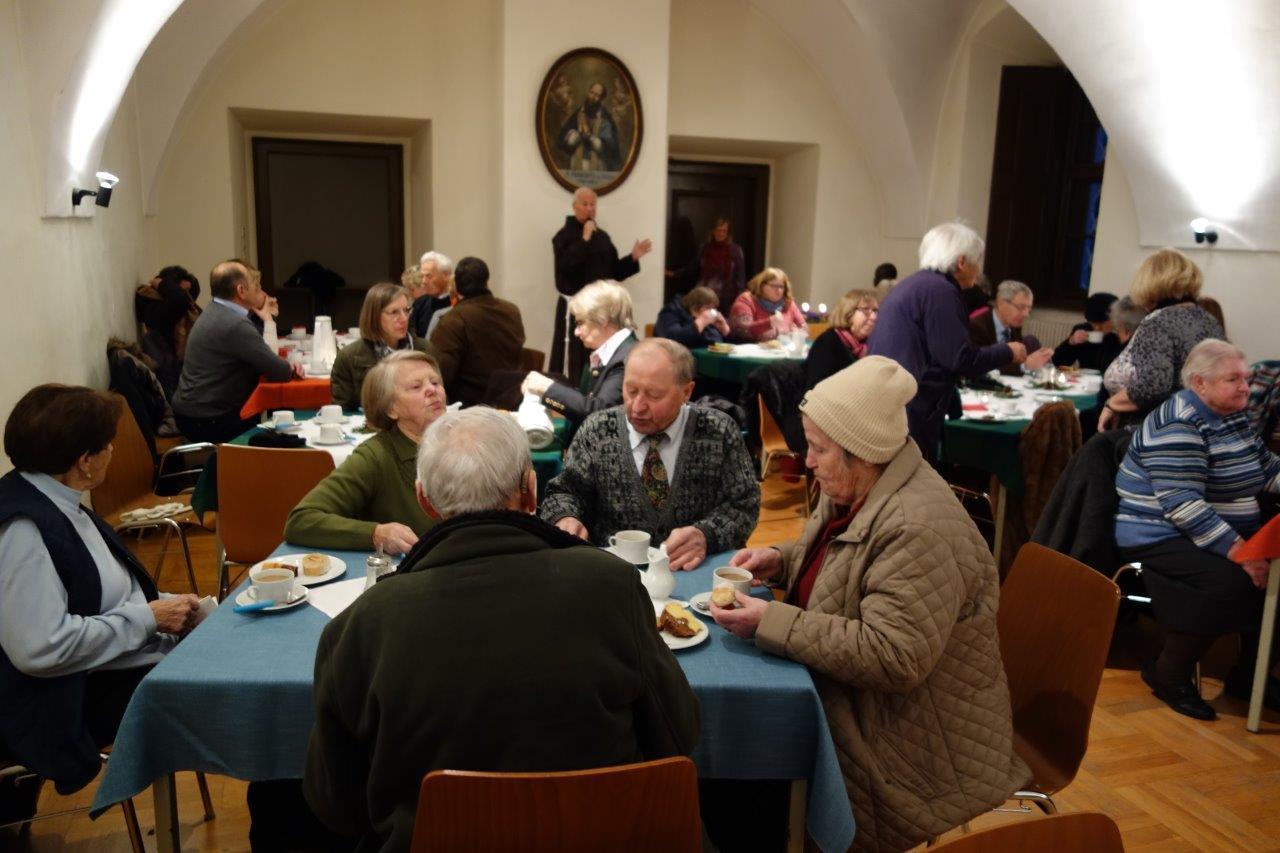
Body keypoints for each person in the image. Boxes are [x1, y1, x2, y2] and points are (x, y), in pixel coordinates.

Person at [303, 407, 700, 851]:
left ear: (425, 501)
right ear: (531, 490)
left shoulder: (361, 625)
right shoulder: (613, 586)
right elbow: (677, 735)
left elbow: (337, 807)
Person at [708, 357, 1027, 849]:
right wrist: (782, 559)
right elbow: (847, 565)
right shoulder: (859, 488)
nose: (808, 462)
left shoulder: (915, 528)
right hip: (861, 701)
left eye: (818, 449)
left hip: (910, 741)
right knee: (733, 756)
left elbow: (894, 655)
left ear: (861, 453)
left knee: (741, 777)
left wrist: (772, 620)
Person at [0, 385, 200, 794]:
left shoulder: (57, 499)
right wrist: (148, 618)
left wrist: (170, 607)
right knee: (207, 688)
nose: (113, 450)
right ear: (85, 461)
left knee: (218, 653)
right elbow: (39, 648)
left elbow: (106, 593)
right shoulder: (25, 530)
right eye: (108, 444)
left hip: (97, 671)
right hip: (57, 703)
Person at [1115, 339, 1280, 720]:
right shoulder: (1179, 422)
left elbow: (1265, 469)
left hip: (1219, 526)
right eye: (1233, 379)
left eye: (1246, 378)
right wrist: (1243, 554)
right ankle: (1168, 673)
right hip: (1159, 531)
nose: (1245, 388)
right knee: (1231, 583)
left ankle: (1250, 677)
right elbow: (1183, 505)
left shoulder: (1232, 415)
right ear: (1199, 383)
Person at [540, 338, 760, 571]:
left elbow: (745, 504)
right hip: (614, 574)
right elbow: (564, 492)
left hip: (696, 573)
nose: (637, 407)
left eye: (654, 395)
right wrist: (566, 517)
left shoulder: (718, 431)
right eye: (630, 390)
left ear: (686, 392)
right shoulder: (597, 430)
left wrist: (707, 534)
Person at [866, 222, 1028, 461]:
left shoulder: (915, 284)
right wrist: (1008, 352)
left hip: (889, 400)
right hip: (909, 409)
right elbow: (958, 358)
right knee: (910, 479)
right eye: (977, 260)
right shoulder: (941, 291)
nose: (979, 269)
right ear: (962, 262)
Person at [286, 351, 444, 555]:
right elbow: (301, 520)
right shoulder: (375, 456)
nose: (432, 390)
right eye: (416, 387)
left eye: (435, 382)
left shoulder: (460, 443)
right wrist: (376, 534)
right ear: (390, 409)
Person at [171, 259, 300, 443]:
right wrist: (291, 366)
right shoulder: (235, 324)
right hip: (209, 419)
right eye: (255, 285)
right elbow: (280, 372)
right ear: (241, 290)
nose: (260, 290)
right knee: (282, 423)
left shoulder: (213, 310)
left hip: (190, 412)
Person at [1098, 248, 1224, 430]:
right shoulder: (1207, 320)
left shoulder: (1157, 322)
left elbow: (1153, 386)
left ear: (1149, 282)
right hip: (1200, 425)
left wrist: (1112, 404)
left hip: (1155, 430)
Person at [550, 187, 651, 378]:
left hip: (601, 309)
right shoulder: (563, 236)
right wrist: (584, 239)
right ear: (575, 207)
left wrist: (633, 257)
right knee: (574, 360)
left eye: (593, 204)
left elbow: (614, 272)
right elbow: (564, 266)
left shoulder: (603, 237)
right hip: (576, 309)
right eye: (585, 204)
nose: (590, 208)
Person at [520, 280, 637, 428]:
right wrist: (545, 394)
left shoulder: (627, 358)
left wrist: (547, 388)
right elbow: (580, 407)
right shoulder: (607, 353)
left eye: (580, 323)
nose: (576, 332)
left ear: (603, 320)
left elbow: (599, 413)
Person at [429, 256, 526, 406]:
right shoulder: (511, 310)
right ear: (486, 282)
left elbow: (442, 375)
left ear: (456, 286)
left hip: (470, 407)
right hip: (513, 399)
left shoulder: (453, 320)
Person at [328, 283, 434, 410]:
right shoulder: (349, 357)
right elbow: (341, 411)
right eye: (394, 312)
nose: (404, 319)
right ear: (374, 316)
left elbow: (439, 400)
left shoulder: (425, 349)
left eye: (406, 310)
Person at [134, 265, 202, 398]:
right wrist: (162, 284)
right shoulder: (152, 301)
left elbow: (185, 299)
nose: (184, 294)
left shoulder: (183, 310)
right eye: (180, 290)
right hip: (169, 379)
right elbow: (181, 300)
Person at [664, 217, 746, 315]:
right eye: (718, 230)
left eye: (724, 231)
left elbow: (740, 278)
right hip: (704, 296)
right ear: (713, 231)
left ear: (728, 233)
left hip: (726, 298)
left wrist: (740, 301)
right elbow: (693, 266)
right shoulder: (704, 248)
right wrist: (674, 273)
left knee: (722, 323)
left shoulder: (735, 250)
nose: (720, 233)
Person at [967, 280, 1051, 376]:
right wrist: (1025, 365)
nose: (1026, 314)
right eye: (1021, 307)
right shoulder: (976, 326)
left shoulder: (1014, 326)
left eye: (1029, 309)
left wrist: (1039, 358)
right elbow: (980, 363)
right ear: (1001, 303)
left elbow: (1015, 359)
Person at [804, 288, 877, 389]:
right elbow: (817, 388)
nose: (874, 317)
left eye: (875, 311)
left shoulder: (870, 345)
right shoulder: (828, 342)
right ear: (848, 313)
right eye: (866, 310)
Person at [557, 82, 622, 172]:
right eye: (592, 92)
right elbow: (564, 138)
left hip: (598, 166)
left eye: (597, 95)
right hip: (577, 163)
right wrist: (574, 135)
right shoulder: (578, 114)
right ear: (588, 92)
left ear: (602, 99)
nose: (592, 97)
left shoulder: (606, 119)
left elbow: (610, 148)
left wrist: (590, 138)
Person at [729, 267, 806, 343]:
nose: (779, 290)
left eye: (781, 287)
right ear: (761, 285)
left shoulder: (788, 303)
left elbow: (803, 327)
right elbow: (742, 331)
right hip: (750, 349)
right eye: (774, 286)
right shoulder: (746, 300)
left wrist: (797, 333)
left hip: (781, 349)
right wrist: (769, 323)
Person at [1053, 292, 1122, 372]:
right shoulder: (1083, 330)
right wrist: (1071, 342)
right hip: (1086, 378)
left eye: (1101, 323)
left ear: (1114, 318)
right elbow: (1058, 362)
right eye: (1093, 323)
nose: (1097, 328)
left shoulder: (1122, 335)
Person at [654, 285, 730, 350]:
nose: (711, 312)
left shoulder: (706, 318)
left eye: (713, 308)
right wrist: (700, 323)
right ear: (695, 307)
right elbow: (672, 340)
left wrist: (725, 331)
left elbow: (716, 344)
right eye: (708, 308)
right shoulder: (670, 312)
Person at [410, 251, 455, 339]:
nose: (424, 281)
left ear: (446, 276)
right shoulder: (420, 303)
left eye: (429, 276)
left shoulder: (457, 303)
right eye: (422, 276)